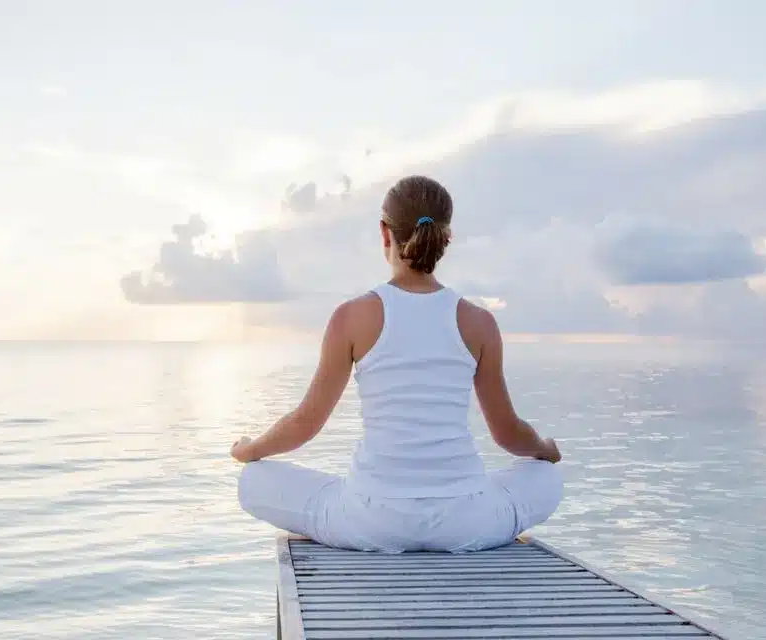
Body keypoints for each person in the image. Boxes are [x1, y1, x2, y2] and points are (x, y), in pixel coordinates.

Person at [230, 175, 563, 553]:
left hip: (370, 519)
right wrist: (544, 449)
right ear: (447, 237)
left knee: (253, 480)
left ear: (384, 233)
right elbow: (507, 433)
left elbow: (306, 422)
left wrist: (251, 450)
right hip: (465, 519)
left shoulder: (351, 317)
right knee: (546, 477)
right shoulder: (479, 322)